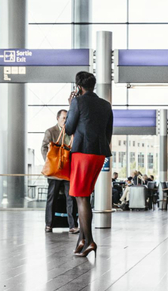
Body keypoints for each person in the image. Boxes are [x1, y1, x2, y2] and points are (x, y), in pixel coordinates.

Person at [66, 71, 114, 257]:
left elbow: (69, 128)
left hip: (82, 153)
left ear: (78, 87)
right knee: (84, 195)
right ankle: (82, 241)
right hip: (99, 154)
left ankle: (90, 241)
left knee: (81, 196)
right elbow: (108, 133)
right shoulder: (105, 105)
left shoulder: (77, 102)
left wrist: (71, 105)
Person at [42, 109, 79, 234]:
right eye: (63, 118)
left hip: (68, 171)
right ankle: (49, 224)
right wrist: (49, 162)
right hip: (55, 171)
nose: (65, 120)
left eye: (67, 118)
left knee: (71, 198)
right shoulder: (51, 132)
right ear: (57, 118)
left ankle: (72, 225)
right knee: (51, 198)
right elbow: (44, 148)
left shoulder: (72, 132)